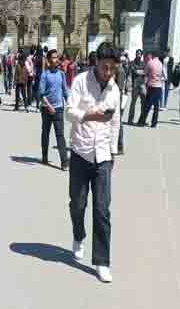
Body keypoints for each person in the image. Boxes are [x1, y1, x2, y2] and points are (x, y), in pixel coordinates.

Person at [66, 42, 121, 283]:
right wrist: (90, 115)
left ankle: (102, 261)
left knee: (102, 210)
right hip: (80, 153)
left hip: (103, 157)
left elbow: (115, 123)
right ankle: (79, 235)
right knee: (77, 205)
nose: (108, 72)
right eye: (105, 67)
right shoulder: (80, 81)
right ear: (96, 62)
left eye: (112, 68)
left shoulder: (114, 89)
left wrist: (113, 153)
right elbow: (68, 112)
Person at [39, 49, 69, 170]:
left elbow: (65, 91)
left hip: (59, 109)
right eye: (54, 57)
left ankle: (64, 162)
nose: (56, 60)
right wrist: (49, 106)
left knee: (60, 135)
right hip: (46, 109)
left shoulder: (61, 74)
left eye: (57, 57)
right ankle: (44, 156)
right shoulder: (45, 75)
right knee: (45, 133)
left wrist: (70, 104)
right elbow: (41, 94)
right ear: (48, 60)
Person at [137, 52, 163, 128]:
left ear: (152, 56)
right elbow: (163, 75)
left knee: (147, 106)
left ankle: (141, 122)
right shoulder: (160, 64)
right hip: (159, 86)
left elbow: (145, 73)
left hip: (151, 86)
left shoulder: (150, 63)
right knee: (156, 106)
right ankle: (154, 123)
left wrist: (139, 72)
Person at [127, 50, 146, 125]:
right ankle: (130, 120)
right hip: (135, 85)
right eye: (137, 53)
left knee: (143, 103)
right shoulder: (132, 63)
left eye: (140, 54)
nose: (138, 55)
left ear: (141, 55)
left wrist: (139, 71)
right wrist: (140, 71)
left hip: (142, 85)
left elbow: (145, 72)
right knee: (133, 103)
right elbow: (134, 71)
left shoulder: (143, 63)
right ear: (135, 54)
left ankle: (141, 120)